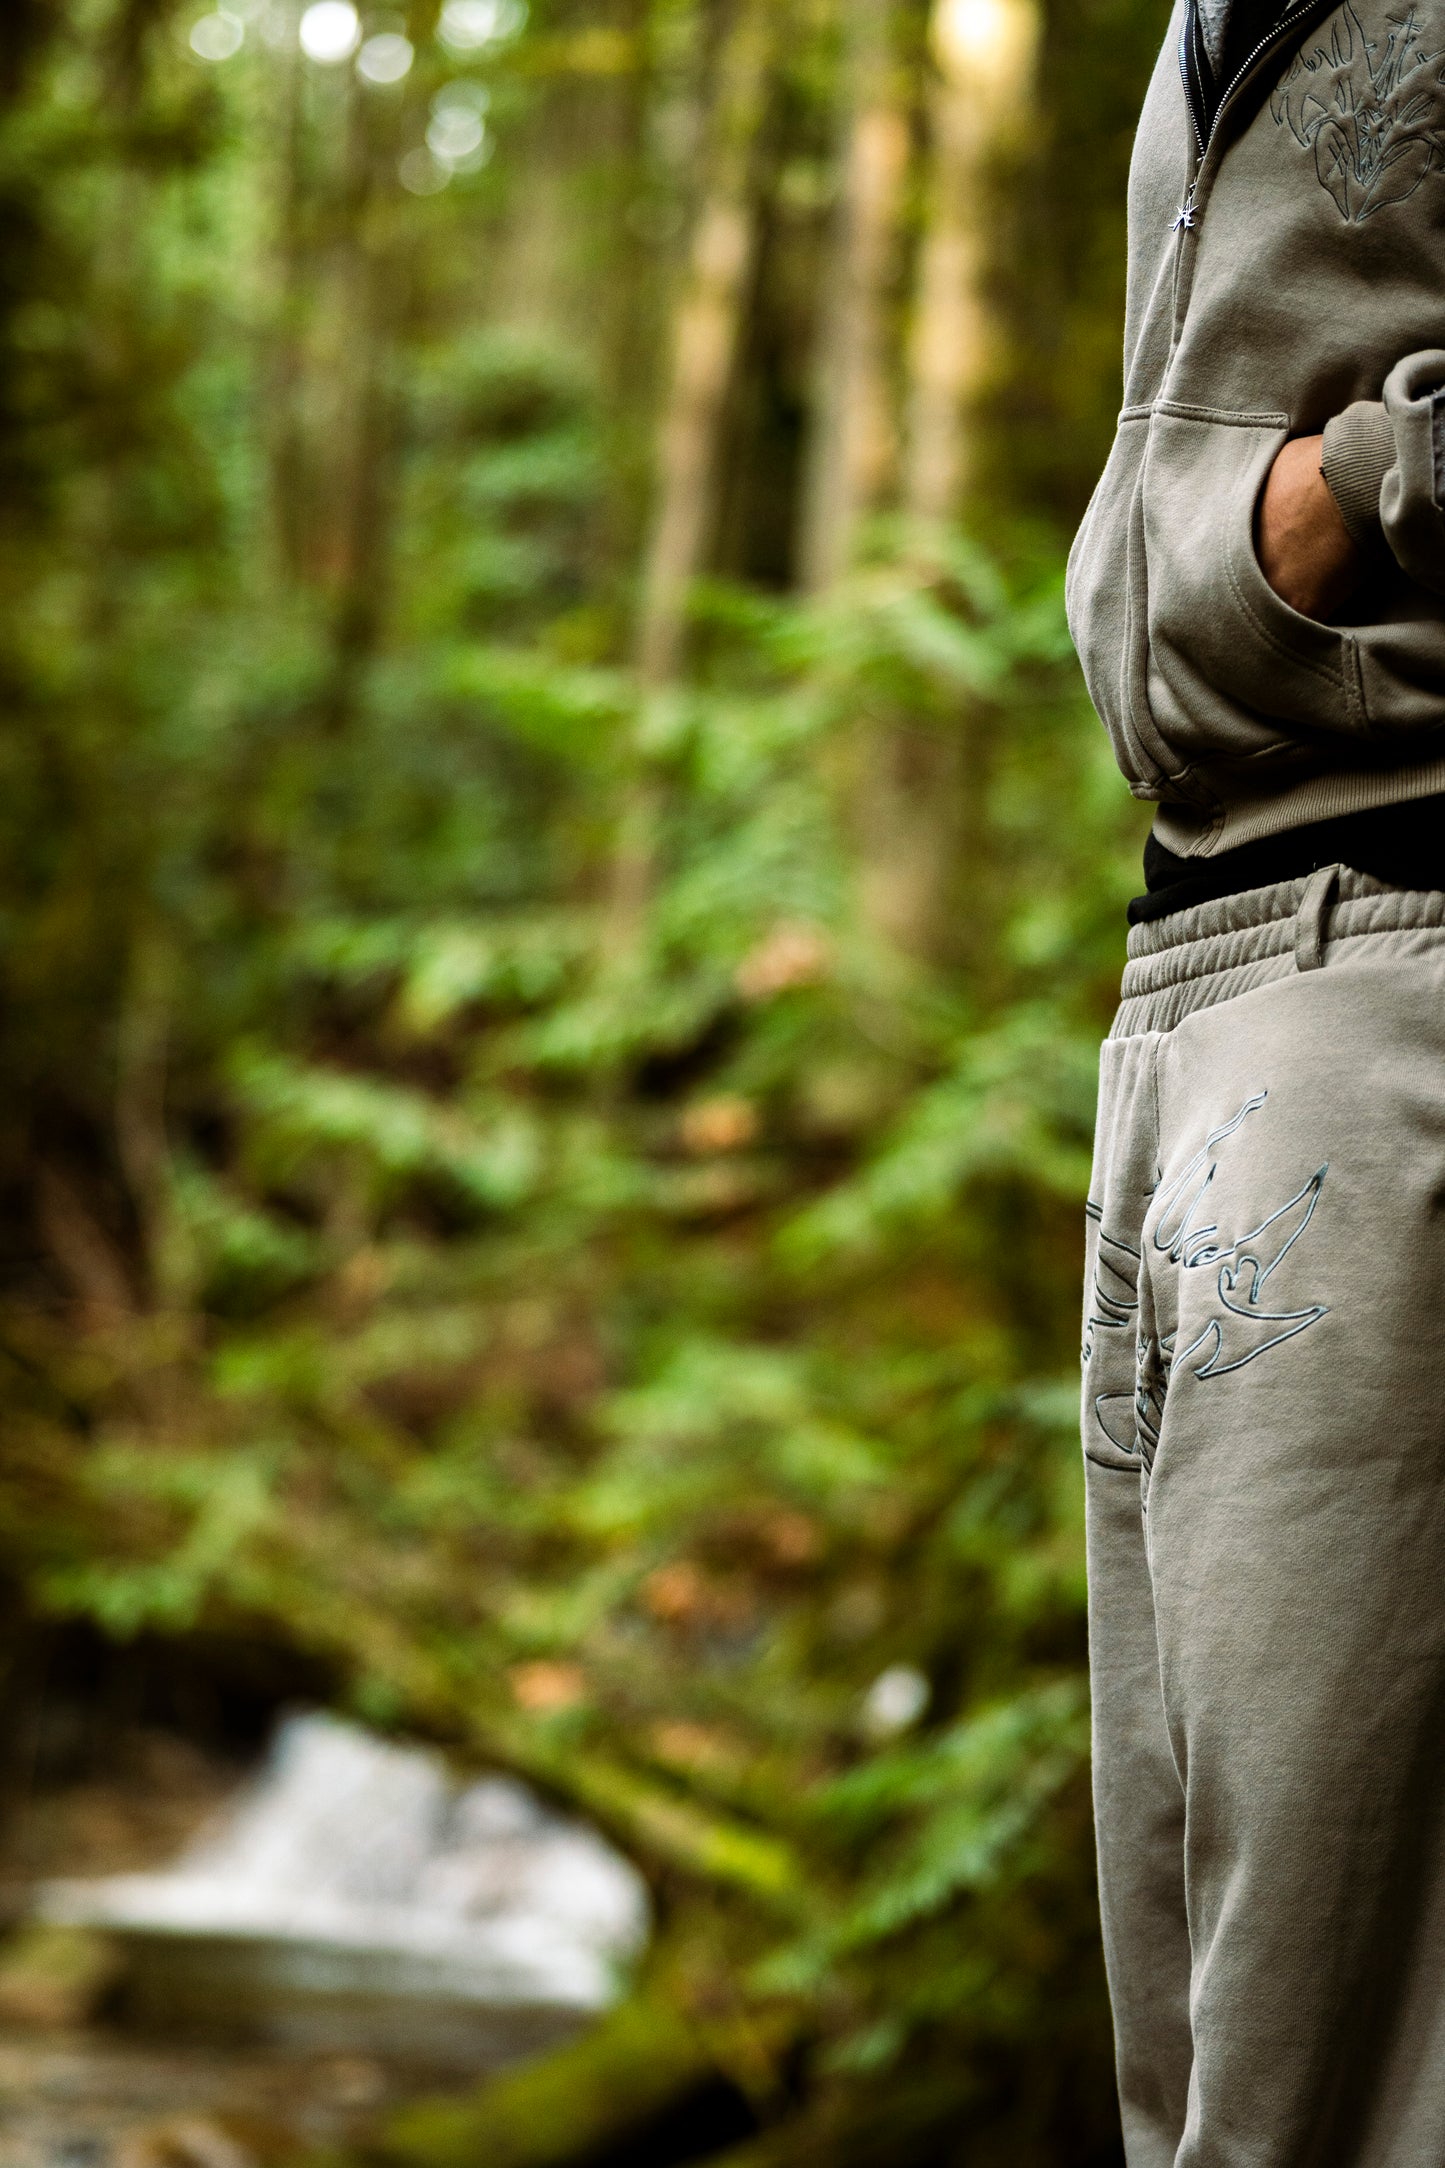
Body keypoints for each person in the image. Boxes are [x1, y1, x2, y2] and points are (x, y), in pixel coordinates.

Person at [1069, 0, 1445, 2158]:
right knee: (1201, 2072)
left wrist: (1363, 489)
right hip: (1189, 976)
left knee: (1331, 2085)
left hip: (1395, 946)